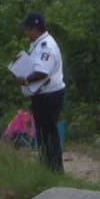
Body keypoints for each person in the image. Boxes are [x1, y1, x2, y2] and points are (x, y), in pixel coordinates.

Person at [15, 12, 66, 172]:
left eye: (27, 29)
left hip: (49, 95)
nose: (25, 33)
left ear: (35, 29)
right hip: (42, 94)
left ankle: (54, 168)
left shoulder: (46, 46)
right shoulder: (38, 44)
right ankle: (47, 166)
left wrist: (26, 80)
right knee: (43, 134)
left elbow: (42, 71)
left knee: (48, 133)